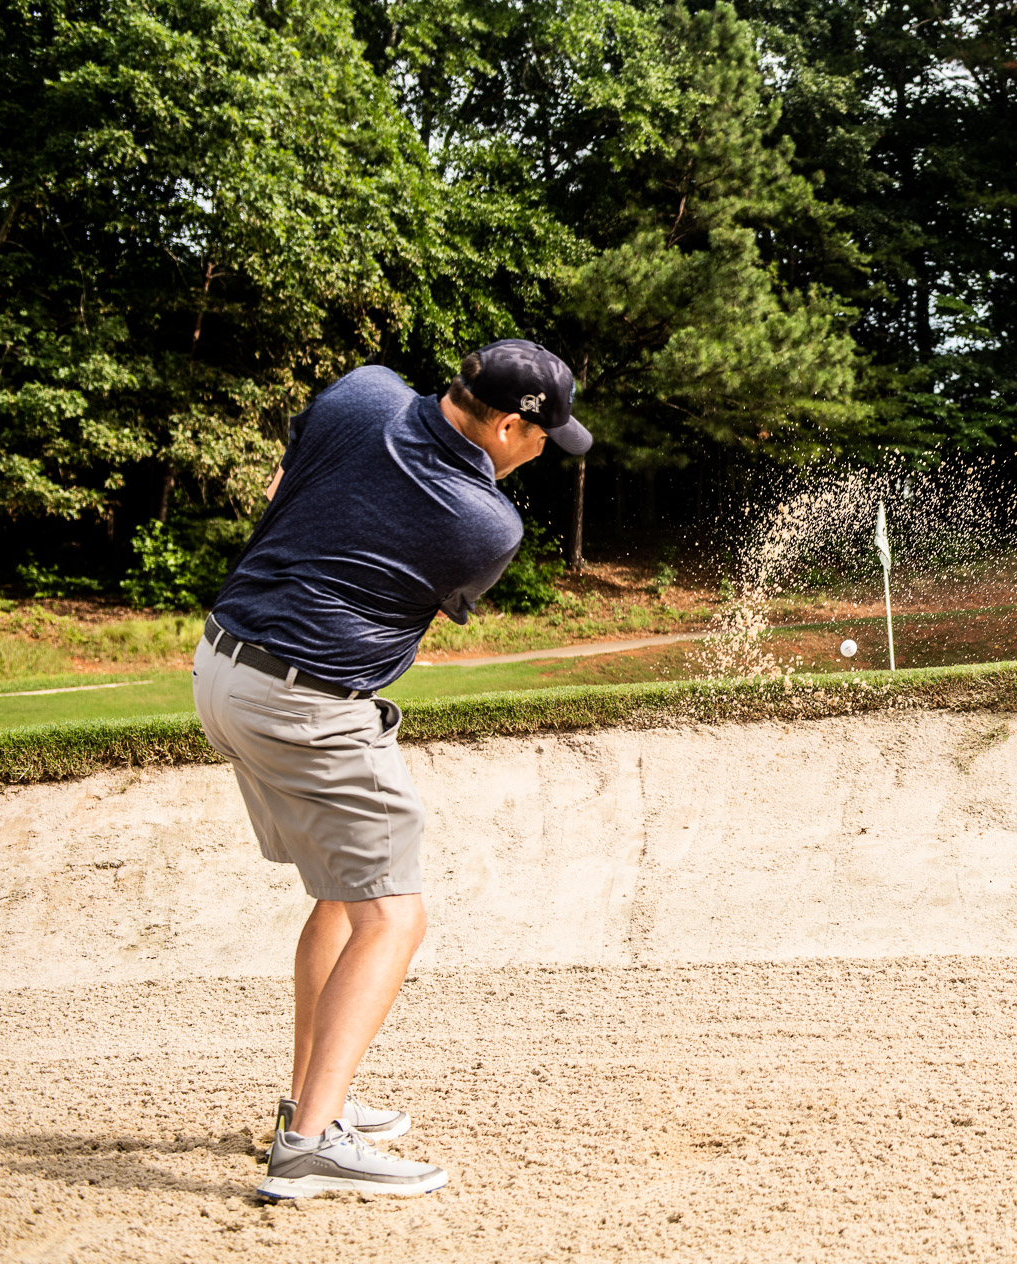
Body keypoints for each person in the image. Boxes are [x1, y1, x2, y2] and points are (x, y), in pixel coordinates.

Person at [194, 340, 591, 1200]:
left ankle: (312, 1097)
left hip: (222, 667)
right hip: (306, 705)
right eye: (540, 439)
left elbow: (283, 487)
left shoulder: (363, 391)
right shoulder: (486, 524)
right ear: (509, 427)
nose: (540, 454)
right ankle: (310, 1143)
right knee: (394, 917)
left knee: (343, 896)